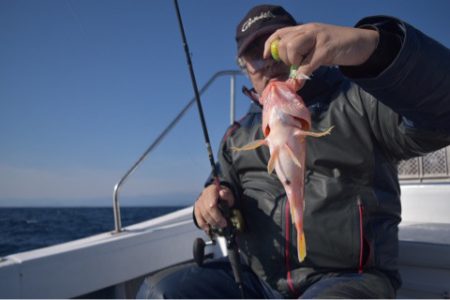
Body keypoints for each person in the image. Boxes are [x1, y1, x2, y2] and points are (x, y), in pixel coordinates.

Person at [137, 4, 450, 299]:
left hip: (348, 278)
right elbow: (221, 183)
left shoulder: (360, 100)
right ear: (245, 68)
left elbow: (442, 114)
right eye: (255, 54)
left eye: (278, 45)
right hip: (257, 279)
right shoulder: (237, 136)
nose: (269, 60)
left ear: (303, 45)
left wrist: (371, 47)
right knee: (160, 292)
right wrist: (208, 203)